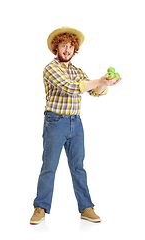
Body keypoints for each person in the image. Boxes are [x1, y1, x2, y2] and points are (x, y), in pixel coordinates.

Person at [30, 27, 121, 225]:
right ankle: (40, 208)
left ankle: (86, 208)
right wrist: (98, 80)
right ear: (56, 48)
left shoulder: (78, 71)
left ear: (74, 49)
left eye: (71, 46)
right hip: (55, 122)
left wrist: (105, 83)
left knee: (78, 167)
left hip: (76, 123)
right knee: (49, 167)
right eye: (64, 45)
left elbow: (95, 91)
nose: (67, 49)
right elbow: (71, 88)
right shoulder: (50, 68)